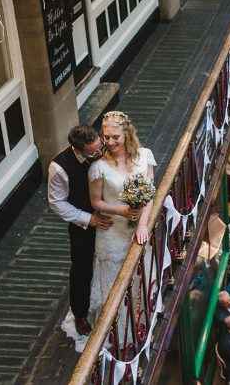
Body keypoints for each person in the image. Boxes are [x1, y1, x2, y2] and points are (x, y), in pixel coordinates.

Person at [85, 111, 157, 327]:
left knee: (140, 275)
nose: (110, 142)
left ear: (126, 134)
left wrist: (143, 223)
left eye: (115, 137)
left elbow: (150, 193)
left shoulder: (144, 156)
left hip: (137, 230)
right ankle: (116, 329)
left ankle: (142, 322)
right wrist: (121, 211)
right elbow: (96, 202)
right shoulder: (98, 167)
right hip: (112, 232)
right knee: (113, 285)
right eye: (106, 137)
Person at [47, 125, 112, 336]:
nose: (100, 153)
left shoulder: (103, 149)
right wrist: (88, 219)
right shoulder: (59, 168)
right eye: (93, 152)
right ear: (78, 150)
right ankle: (80, 314)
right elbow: (57, 203)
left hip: (112, 217)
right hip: (82, 222)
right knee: (81, 267)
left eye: (99, 146)